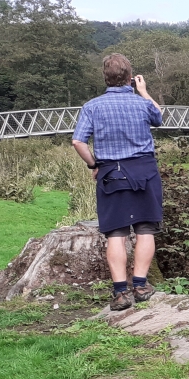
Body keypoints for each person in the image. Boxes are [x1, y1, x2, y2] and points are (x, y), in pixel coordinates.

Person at [72, 54, 164, 311]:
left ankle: (121, 293)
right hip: (144, 171)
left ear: (105, 77)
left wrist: (94, 165)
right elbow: (159, 116)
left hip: (111, 173)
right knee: (145, 229)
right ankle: (141, 286)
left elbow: (78, 142)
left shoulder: (92, 106)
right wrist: (144, 92)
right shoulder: (141, 103)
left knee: (116, 234)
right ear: (129, 77)